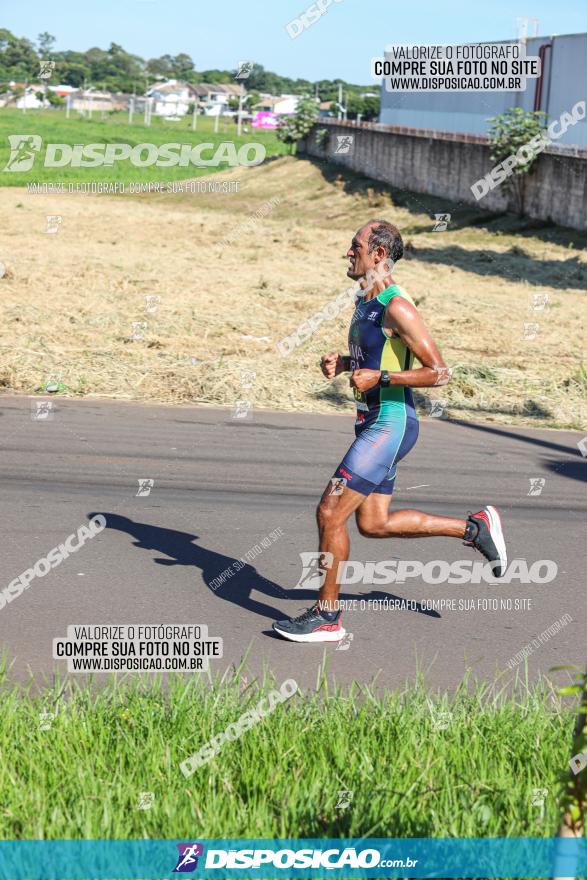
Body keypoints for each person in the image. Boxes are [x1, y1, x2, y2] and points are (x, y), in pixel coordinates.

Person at [273, 219, 507, 642]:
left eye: (355, 246)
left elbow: (439, 372)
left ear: (378, 254)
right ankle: (473, 529)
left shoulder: (397, 306)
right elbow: (379, 356)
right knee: (374, 524)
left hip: (390, 425)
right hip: (373, 424)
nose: (348, 252)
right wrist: (345, 364)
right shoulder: (365, 300)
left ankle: (328, 617)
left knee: (329, 512)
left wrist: (378, 378)